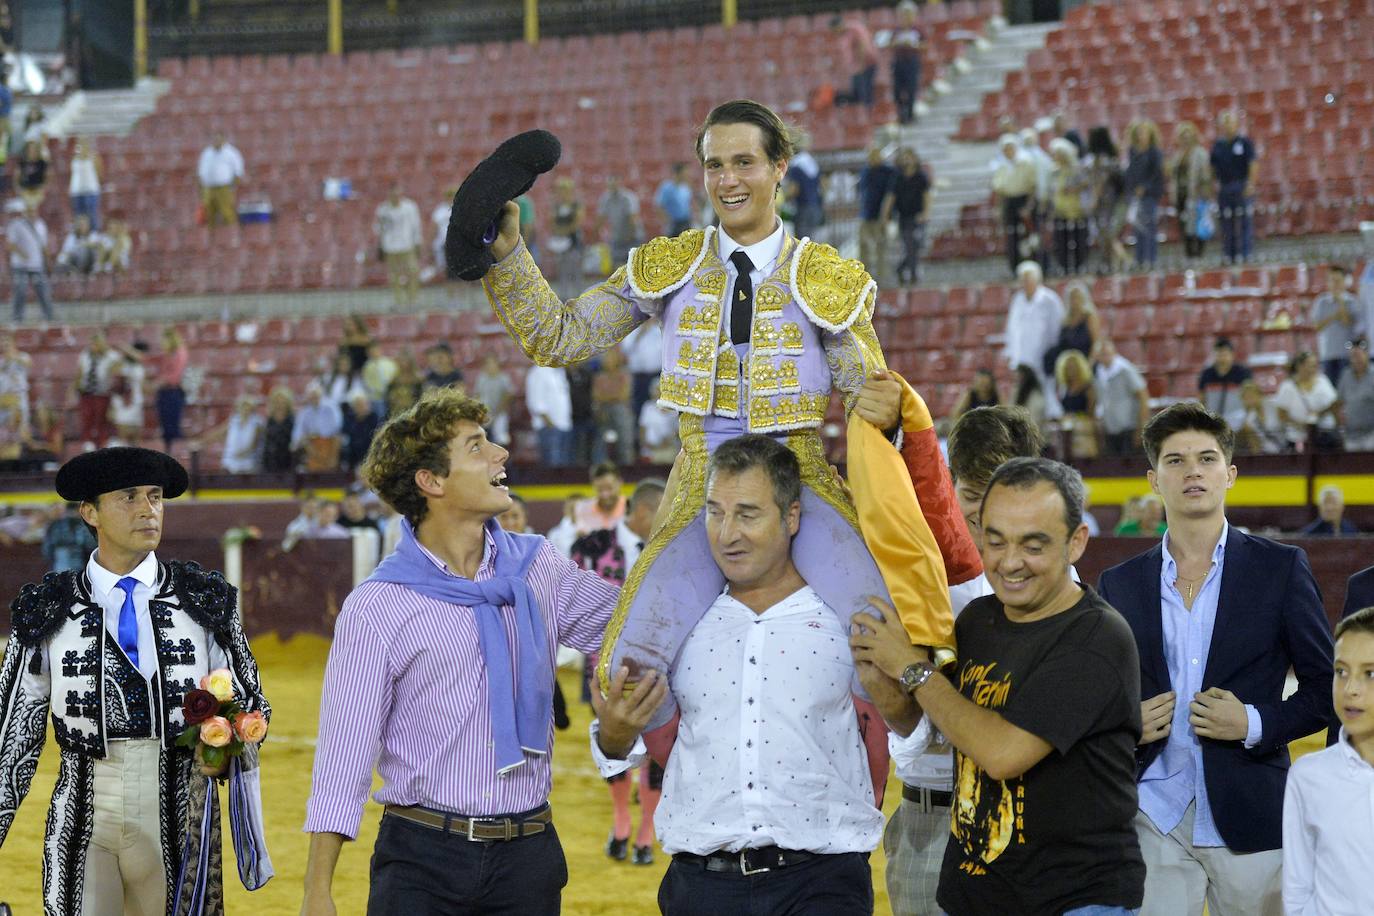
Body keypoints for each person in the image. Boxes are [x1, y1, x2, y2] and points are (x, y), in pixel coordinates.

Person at [480, 98, 970, 695]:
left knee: (890, 643)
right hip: (701, 485)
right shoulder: (672, 266)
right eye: (714, 166)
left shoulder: (823, 277)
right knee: (625, 668)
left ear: (780, 167)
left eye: (744, 163)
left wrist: (890, 409)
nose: (728, 180)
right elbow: (559, 336)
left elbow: (869, 395)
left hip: (798, 479)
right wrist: (508, 256)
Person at [301, 388, 619, 914]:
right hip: (420, 862)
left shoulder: (539, 568)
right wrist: (317, 890)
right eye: (477, 447)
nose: (502, 454)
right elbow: (345, 752)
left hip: (528, 857)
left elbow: (626, 625)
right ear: (432, 482)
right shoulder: (378, 606)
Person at [591, 436, 892, 914]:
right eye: (714, 512)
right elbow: (617, 744)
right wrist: (613, 734)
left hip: (822, 881)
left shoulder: (847, 619)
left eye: (748, 514)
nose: (727, 533)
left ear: (792, 517)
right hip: (701, 883)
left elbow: (906, 728)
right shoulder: (677, 625)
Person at [851, 456, 1146, 915]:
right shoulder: (977, 620)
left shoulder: (1098, 639)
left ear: (1076, 542)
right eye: (995, 541)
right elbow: (927, 722)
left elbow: (1003, 754)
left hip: (1073, 901)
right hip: (970, 896)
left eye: (1034, 545)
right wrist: (879, 672)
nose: (1010, 562)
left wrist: (912, 669)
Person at [0, 447, 268, 915]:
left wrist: (226, 745)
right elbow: (11, 738)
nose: (148, 510)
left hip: (179, 816)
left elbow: (249, 702)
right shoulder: (48, 608)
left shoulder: (203, 601)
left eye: (156, 496)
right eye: (128, 497)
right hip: (83, 818)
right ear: (90, 513)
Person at [1098, 402, 1334, 916]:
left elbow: (1325, 693)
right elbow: (1094, 700)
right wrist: (1124, 725)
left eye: (1206, 459)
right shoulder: (1118, 584)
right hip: (1149, 814)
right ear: (1153, 479)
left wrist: (1250, 721)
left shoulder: (1281, 569)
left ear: (1229, 474)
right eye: (1175, 461)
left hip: (1251, 814)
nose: (1192, 472)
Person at [880, 405, 1046, 915]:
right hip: (930, 814)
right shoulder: (913, 575)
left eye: (998, 494)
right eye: (969, 495)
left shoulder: (1063, 592)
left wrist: (914, 672)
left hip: (1027, 823)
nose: (980, 515)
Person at [570, 479, 667, 866]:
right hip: (603, 667)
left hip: (659, 670)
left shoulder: (669, 552)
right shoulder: (591, 546)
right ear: (643, 511)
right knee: (614, 744)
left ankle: (645, 835)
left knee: (656, 751)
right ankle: (622, 821)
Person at [1281, 606, 1374, 916]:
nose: (1351, 690)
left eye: (1370, 674)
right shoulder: (1308, 777)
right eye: (1341, 671)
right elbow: (1296, 895)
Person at [1003, 260, 1064, 399]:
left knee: (1045, 392)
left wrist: (1052, 352)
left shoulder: (1050, 300)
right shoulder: (1017, 300)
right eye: (1023, 280)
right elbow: (1011, 328)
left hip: (1044, 355)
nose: (1025, 283)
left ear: (1037, 279)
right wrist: (1010, 353)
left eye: (1028, 279)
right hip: (1021, 358)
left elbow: (1057, 328)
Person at [1210, 111, 1258, 264]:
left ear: (1236, 124)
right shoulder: (1218, 145)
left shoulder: (1245, 143)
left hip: (1241, 184)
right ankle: (1228, 255)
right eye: (1225, 124)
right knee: (1226, 224)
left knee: (1245, 221)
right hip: (1224, 187)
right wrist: (1212, 186)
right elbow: (1212, 168)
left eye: (1230, 123)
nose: (1228, 127)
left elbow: (1253, 164)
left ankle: (1246, 254)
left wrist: (1250, 184)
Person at [1094, 338, 1150, 457]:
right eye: (1101, 354)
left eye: (1106, 354)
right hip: (1111, 427)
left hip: (1129, 426)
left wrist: (1141, 427)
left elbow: (1143, 397)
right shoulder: (1099, 372)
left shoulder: (1126, 370)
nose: (1104, 357)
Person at [1273, 351, 1340, 451]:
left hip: (1324, 436)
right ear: (1300, 366)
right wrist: (1299, 425)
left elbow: (1334, 403)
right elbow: (1281, 413)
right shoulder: (1288, 386)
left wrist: (1319, 414)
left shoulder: (1323, 381)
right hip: (1297, 438)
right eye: (1310, 365)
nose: (1314, 368)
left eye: (1315, 365)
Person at [882, 147, 930, 285]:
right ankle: (914, 275)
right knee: (909, 245)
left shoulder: (921, 176)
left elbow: (926, 196)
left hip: (918, 216)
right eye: (905, 157)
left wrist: (926, 213)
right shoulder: (897, 177)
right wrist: (885, 215)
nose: (907, 160)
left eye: (909, 157)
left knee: (917, 245)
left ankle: (901, 268)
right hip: (904, 217)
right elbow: (890, 197)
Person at [992, 135, 1038, 276]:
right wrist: (999, 209)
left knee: (1030, 237)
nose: (1008, 151)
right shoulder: (1001, 166)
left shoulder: (1026, 162)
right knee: (1012, 237)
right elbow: (999, 191)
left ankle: (1037, 268)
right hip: (1009, 202)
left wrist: (1028, 207)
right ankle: (1015, 269)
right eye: (1005, 149)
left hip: (1024, 201)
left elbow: (1033, 187)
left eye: (1010, 148)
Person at [1169, 121, 1213, 259]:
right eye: (1183, 136)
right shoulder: (1177, 155)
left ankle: (1199, 254)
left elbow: (1206, 175)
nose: (1186, 139)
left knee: (1198, 225)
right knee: (1184, 226)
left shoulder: (1200, 153)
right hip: (1181, 195)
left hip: (1196, 194)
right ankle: (1189, 255)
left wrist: (1204, 191)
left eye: (1188, 136)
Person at [1124, 120, 1165, 268]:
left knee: (1149, 227)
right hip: (1136, 196)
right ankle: (1139, 259)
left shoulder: (1155, 153)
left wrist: (1145, 188)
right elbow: (1130, 174)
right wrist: (1132, 190)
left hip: (1150, 195)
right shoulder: (1132, 152)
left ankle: (1150, 259)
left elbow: (1156, 174)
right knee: (1137, 229)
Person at [1310, 264, 1361, 385]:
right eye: (1331, 280)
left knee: (1348, 388)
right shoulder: (1321, 301)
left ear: (1345, 282)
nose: (1335, 284)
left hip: (1347, 355)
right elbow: (1317, 327)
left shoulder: (1352, 301)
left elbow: (1347, 322)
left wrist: (1341, 303)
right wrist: (1333, 316)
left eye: (1338, 281)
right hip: (1327, 354)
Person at [375, 183, 422, 306]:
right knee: (394, 274)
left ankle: (413, 299)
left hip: (407, 245)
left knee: (413, 271)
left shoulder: (410, 207)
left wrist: (417, 243)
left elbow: (416, 226)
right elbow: (378, 228)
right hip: (390, 247)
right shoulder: (383, 209)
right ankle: (399, 300)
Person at [7, 196, 53, 322]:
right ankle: (17, 318)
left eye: (33, 210)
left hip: (36, 265)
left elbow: (43, 245)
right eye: (29, 210)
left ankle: (48, 317)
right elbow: (10, 244)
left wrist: (47, 260)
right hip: (20, 266)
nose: (32, 213)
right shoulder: (16, 225)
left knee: (43, 292)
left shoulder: (41, 225)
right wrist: (22, 254)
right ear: (24, 211)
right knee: (20, 292)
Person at [1048, 137, 1089, 275]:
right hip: (1060, 210)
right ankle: (1063, 267)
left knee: (1079, 239)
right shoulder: (1054, 171)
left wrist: (1073, 189)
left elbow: (1085, 184)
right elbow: (1051, 191)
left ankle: (1079, 265)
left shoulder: (1076, 169)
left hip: (1077, 209)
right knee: (1061, 241)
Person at [1043, 280, 1100, 378]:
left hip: (1084, 360)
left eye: (1077, 297)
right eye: (1072, 297)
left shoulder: (1089, 316)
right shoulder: (1065, 319)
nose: (1074, 300)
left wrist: (1089, 364)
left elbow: (1096, 343)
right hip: (1068, 364)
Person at [75, 329, 120, 449]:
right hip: (86, 392)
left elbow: (117, 374)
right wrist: (74, 388)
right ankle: (88, 443)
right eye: (93, 343)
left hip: (103, 393)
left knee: (102, 419)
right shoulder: (85, 354)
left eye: (97, 343)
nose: (94, 346)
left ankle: (103, 443)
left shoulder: (112, 356)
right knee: (87, 417)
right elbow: (79, 373)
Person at [592, 347, 635, 466]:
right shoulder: (599, 377)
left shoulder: (624, 375)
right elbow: (596, 396)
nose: (607, 361)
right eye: (606, 358)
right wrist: (612, 398)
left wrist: (607, 397)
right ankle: (601, 466)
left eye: (610, 358)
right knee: (601, 440)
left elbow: (624, 396)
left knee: (625, 441)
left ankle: (627, 466)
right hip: (604, 410)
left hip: (620, 410)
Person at [857, 147, 894, 285]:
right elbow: (862, 190)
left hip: (881, 215)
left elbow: (890, 194)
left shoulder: (888, 172)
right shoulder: (866, 170)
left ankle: (882, 276)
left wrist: (886, 215)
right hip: (866, 213)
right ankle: (864, 274)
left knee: (881, 246)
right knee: (863, 244)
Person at [1198, 337, 1252, 431]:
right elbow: (1202, 398)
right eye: (1219, 354)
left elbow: (1250, 398)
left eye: (1225, 354)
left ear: (1232, 355)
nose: (1222, 358)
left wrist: (1246, 418)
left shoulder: (1243, 373)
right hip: (1213, 419)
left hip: (1237, 418)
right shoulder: (1206, 374)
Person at [525, 364, 572, 467]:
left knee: (564, 469)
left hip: (564, 426)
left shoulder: (560, 372)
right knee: (552, 469)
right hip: (549, 427)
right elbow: (535, 402)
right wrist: (550, 424)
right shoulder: (538, 371)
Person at [291, 381, 344, 472]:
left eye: (316, 395)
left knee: (336, 440)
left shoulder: (331, 408)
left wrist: (317, 435)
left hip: (330, 443)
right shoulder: (304, 413)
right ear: (308, 397)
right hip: (312, 446)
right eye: (311, 396)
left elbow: (337, 429)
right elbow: (297, 436)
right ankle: (314, 470)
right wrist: (305, 438)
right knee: (305, 444)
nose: (314, 398)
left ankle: (330, 466)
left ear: (321, 395)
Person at [1056, 349, 1099, 460]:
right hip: (1067, 429)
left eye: (1074, 367)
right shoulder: (1063, 387)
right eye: (1068, 367)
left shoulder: (1088, 387)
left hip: (1084, 429)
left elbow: (1091, 412)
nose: (1071, 370)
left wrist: (1077, 418)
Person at [197, 130, 244, 229]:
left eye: (218, 139)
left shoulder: (231, 152)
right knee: (209, 212)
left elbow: (238, 170)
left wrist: (233, 185)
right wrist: (201, 185)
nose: (216, 141)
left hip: (224, 187)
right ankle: (210, 236)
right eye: (214, 139)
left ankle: (231, 233)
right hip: (208, 187)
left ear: (223, 139)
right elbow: (201, 171)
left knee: (227, 211)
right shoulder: (207, 153)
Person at [547, 177, 585, 297]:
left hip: (573, 241)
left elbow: (577, 222)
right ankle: (564, 296)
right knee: (562, 270)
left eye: (565, 190)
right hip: (560, 242)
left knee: (575, 269)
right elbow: (552, 222)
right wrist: (559, 232)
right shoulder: (556, 206)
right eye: (561, 191)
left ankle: (579, 295)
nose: (563, 193)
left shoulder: (576, 205)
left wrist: (564, 231)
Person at [830, 14, 878, 108]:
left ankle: (869, 114)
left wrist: (861, 64)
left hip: (866, 64)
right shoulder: (841, 36)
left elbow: (862, 45)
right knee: (858, 95)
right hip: (856, 68)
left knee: (865, 93)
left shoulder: (854, 28)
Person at [155, 326, 189, 452]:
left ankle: (179, 457)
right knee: (166, 430)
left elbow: (175, 376)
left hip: (173, 392)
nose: (162, 343)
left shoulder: (179, 353)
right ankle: (169, 455)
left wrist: (157, 383)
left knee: (173, 428)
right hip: (164, 393)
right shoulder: (166, 354)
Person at [108, 339, 148, 446]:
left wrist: (127, 350)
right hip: (121, 402)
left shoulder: (139, 366)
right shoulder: (119, 364)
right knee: (123, 435)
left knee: (136, 435)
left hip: (135, 402)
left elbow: (142, 384)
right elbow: (112, 373)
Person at [1337, 336, 1374, 450]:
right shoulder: (1345, 375)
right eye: (1353, 356)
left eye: (1358, 355)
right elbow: (1339, 401)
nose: (1356, 359)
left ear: (1367, 355)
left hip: (1371, 433)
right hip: (1351, 434)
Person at [597, 175, 642, 268]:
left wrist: (630, 236)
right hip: (617, 237)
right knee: (617, 268)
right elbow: (601, 218)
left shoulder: (629, 198)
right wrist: (596, 233)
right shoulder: (606, 199)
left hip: (633, 237)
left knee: (633, 267)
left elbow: (633, 219)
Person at [890, 0, 922, 125]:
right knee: (897, 90)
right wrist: (897, 43)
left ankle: (910, 114)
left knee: (911, 89)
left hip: (911, 61)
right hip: (899, 61)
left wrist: (914, 44)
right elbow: (890, 43)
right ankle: (901, 113)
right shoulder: (896, 30)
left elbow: (925, 44)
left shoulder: (917, 30)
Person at [40, 500, 96, 572]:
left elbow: (47, 550)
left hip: (59, 564)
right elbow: (91, 545)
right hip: (79, 563)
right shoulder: (83, 525)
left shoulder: (54, 525)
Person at [472, 353, 514, 446]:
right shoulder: (481, 378)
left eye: (492, 363)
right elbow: (477, 396)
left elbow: (508, 396)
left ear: (497, 364)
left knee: (501, 439)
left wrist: (496, 413)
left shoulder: (503, 378)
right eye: (487, 363)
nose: (489, 366)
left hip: (500, 412)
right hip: (485, 412)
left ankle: (503, 455)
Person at [575, 462, 627, 535]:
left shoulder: (631, 509)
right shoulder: (583, 509)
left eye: (609, 488)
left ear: (620, 482)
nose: (605, 495)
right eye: (600, 490)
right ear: (593, 486)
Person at [69, 136, 103, 228]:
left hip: (91, 191)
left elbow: (100, 173)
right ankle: (79, 236)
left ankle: (94, 235)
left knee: (91, 215)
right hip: (77, 192)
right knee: (78, 216)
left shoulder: (94, 157)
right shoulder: (74, 159)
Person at [342, 391, 381, 470]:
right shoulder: (349, 418)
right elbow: (345, 434)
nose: (361, 407)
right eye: (358, 405)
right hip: (353, 452)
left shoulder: (374, 418)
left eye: (363, 404)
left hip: (370, 451)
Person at [261, 385, 295, 472]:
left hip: (288, 460)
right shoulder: (270, 420)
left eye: (283, 401)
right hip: (271, 460)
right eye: (277, 401)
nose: (280, 404)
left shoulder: (293, 419)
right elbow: (266, 441)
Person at [655, 162, 694, 237]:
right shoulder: (666, 187)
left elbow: (688, 204)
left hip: (686, 222)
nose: (687, 175)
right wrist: (667, 221)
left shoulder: (686, 187)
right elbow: (659, 206)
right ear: (678, 173)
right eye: (685, 173)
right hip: (674, 224)